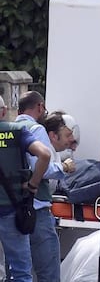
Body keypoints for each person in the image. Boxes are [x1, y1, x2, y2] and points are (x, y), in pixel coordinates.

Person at [15, 92, 76, 282]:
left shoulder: (10, 129)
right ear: (40, 107)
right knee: (48, 272)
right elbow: (42, 167)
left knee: (20, 271)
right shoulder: (36, 129)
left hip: (12, 209)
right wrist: (64, 167)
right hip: (37, 209)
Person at [0, 95, 51, 282]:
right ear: (4, 111)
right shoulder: (18, 131)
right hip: (12, 211)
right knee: (20, 271)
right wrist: (32, 185)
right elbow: (45, 155)